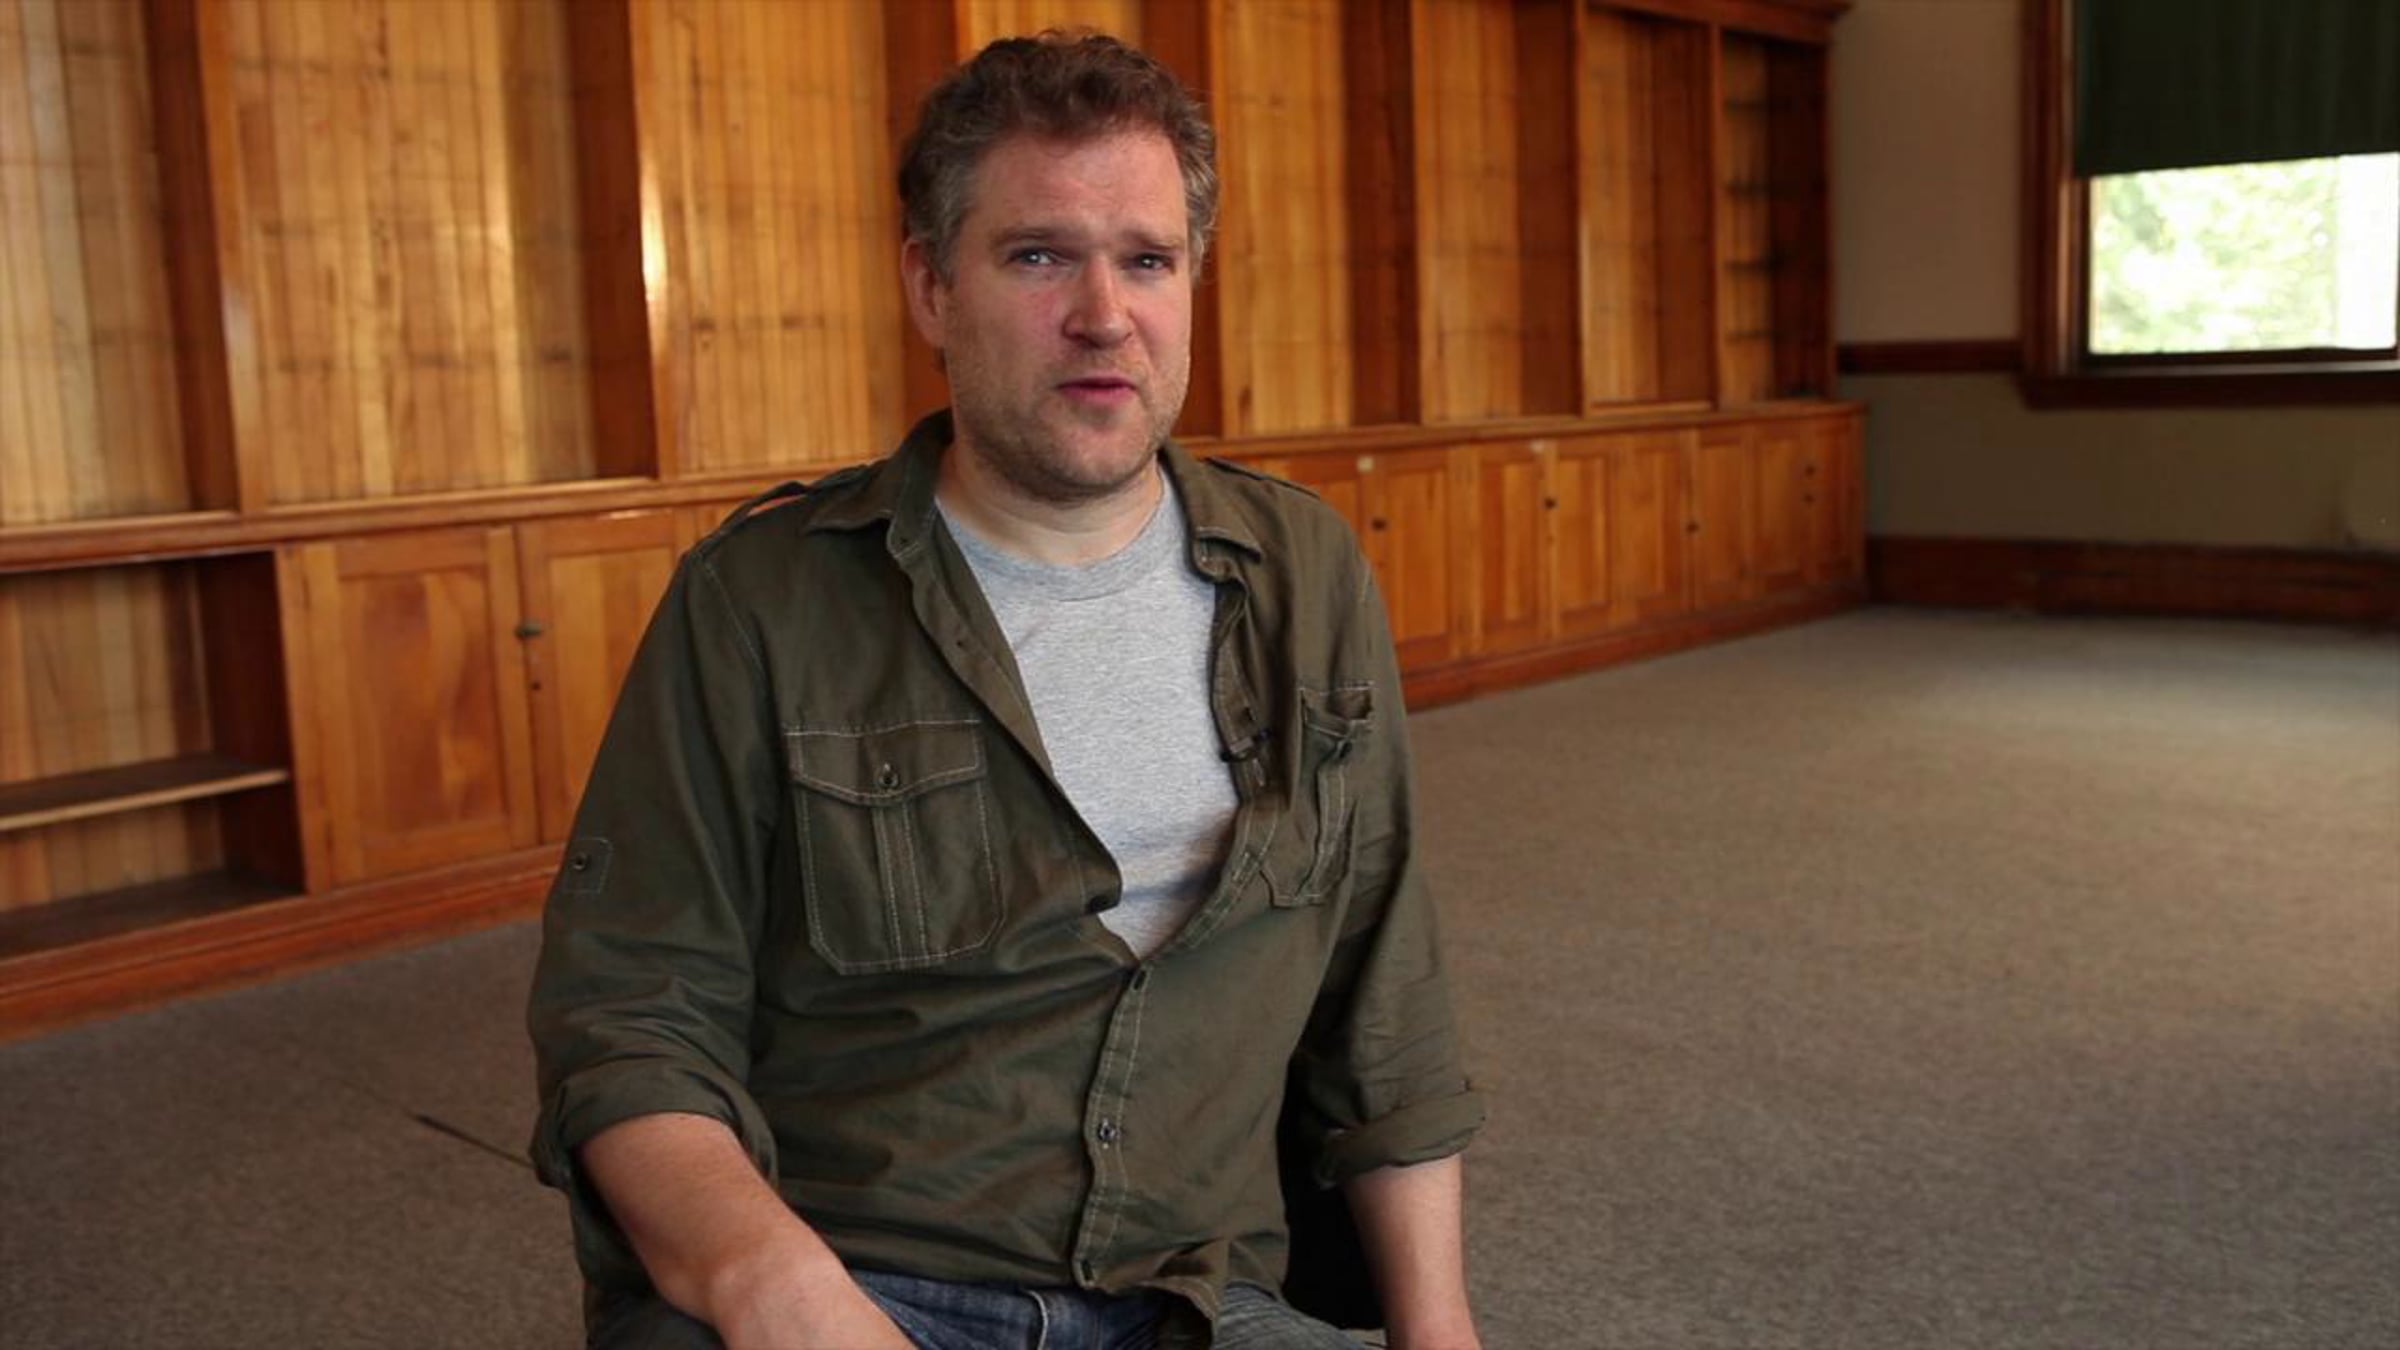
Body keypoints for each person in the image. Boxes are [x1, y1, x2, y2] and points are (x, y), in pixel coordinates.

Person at [527, 31, 1484, 1350]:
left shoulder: (1305, 573)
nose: (1105, 314)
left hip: (1198, 1295)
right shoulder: (759, 600)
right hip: (860, 1280)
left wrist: (1441, 1333)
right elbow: (631, 1018)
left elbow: (1384, 997)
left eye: (1147, 260)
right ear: (931, 286)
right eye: (1039, 256)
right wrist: (775, 1287)